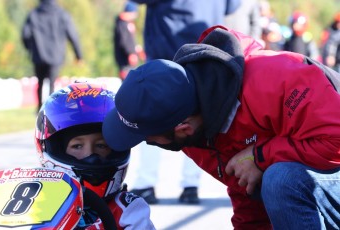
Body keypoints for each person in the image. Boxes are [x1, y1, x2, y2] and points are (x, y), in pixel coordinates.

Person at [102, 25, 340, 229]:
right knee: (274, 179)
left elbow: (336, 142)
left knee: (281, 179)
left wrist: (261, 156)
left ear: (182, 128)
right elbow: (246, 190)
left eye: (147, 137)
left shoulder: (273, 78)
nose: (149, 143)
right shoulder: (194, 129)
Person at [125, 0, 241, 204]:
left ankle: (146, 182)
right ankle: (190, 185)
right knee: (198, 121)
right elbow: (233, 5)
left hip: (166, 54)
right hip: (204, 55)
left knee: (151, 119)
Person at [35, 82, 155, 229]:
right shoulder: (37, 204)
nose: (90, 155)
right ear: (55, 149)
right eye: (77, 146)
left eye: (101, 145)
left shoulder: (128, 210)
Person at [21, 0, 83, 113]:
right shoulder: (62, 14)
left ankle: (39, 108)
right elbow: (73, 35)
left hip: (38, 54)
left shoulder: (33, 14)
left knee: (39, 83)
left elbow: (25, 34)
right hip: (56, 55)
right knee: (52, 83)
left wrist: (29, 48)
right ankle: (49, 109)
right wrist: (78, 55)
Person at [113, 1, 145, 81]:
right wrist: (131, 53)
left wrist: (138, 49)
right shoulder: (121, 24)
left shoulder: (127, 23)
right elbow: (123, 41)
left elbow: (131, 40)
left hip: (129, 59)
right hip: (125, 60)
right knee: (128, 81)